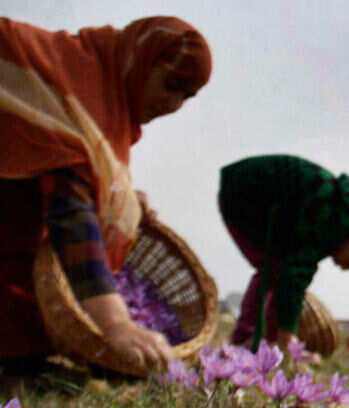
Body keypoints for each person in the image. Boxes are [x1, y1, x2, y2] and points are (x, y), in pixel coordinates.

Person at [0, 16, 212, 374]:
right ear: (141, 59)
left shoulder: (104, 97)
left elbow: (72, 177)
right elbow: (70, 211)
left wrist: (124, 201)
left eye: (187, 96)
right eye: (172, 84)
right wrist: (116, 323)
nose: (173, 103)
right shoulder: (79, 88)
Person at [218, 154, 349, 349]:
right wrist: (287, 335)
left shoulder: (344, 212)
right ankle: (245, 341)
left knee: (280, 272)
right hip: (245, 191)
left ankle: (268, 343)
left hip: (251, 189)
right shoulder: (331, 218)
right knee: (276, 268)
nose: (343, 268)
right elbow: (296, 273)